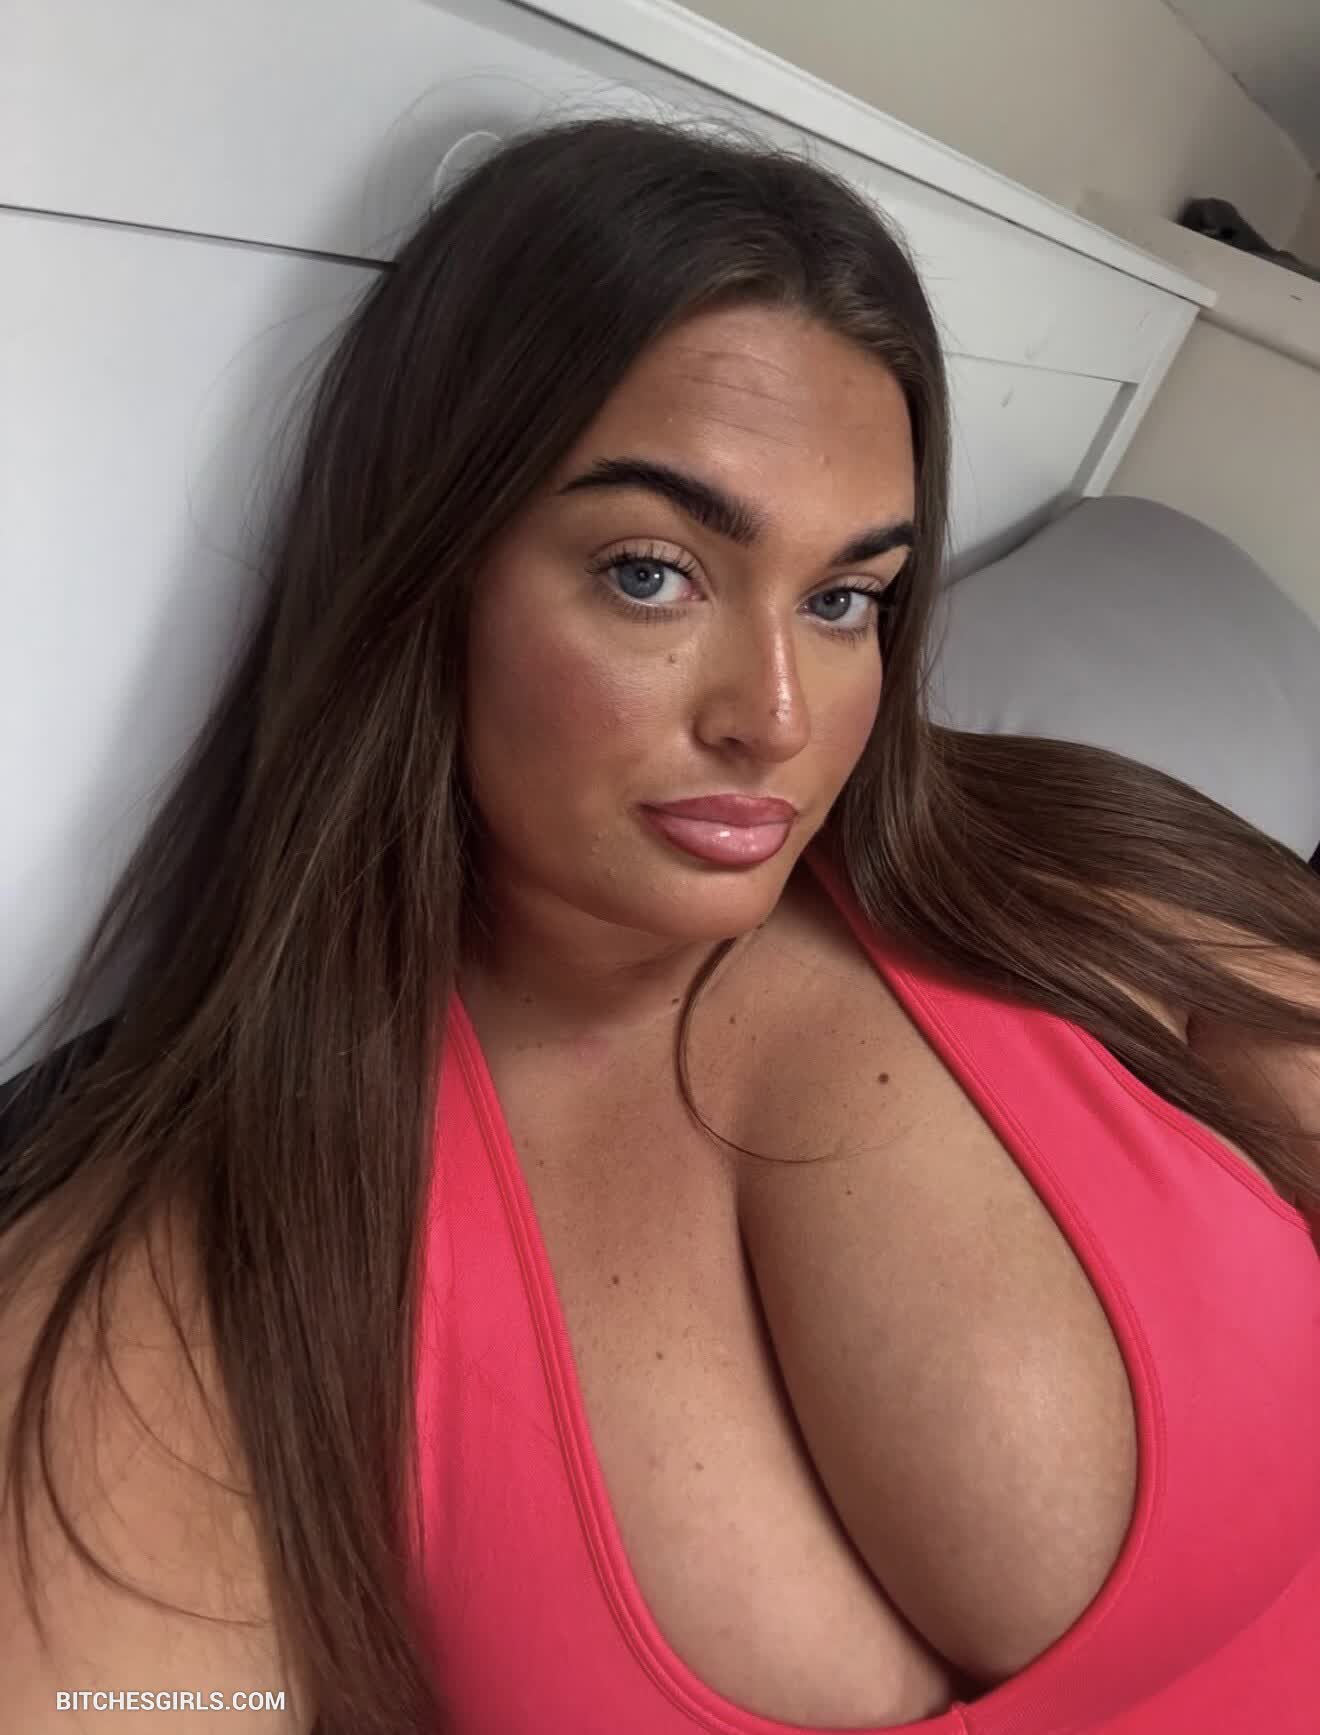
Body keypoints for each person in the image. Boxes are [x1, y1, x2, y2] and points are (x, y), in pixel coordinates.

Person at [1, 116, 1317, 1735]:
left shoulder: (1072, 874)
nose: (777, 717)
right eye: (652, 574)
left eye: (844, 600)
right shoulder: (212, 1289)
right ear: (431, 571)